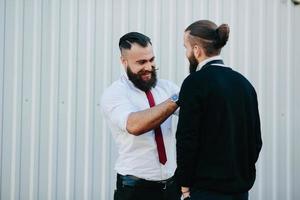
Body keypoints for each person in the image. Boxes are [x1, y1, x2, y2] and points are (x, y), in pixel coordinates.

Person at [175, 20, 262, 200]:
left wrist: (184, 185)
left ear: (197, 50)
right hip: (240, 191)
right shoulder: (244, 84)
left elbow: (186, 139)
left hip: (205, 191)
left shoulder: (194, 83)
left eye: (186, 48)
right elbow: (256, 140)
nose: (186, 53)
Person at [101, 32, 181, 200]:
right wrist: (178, 98)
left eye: (151, 60)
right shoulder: (115, 93)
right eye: (141, 62)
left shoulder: (166, 88)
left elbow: (197, 111)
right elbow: (134, 125)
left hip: (170, 188)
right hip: (135, 189)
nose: (149, 67)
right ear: (124, 62)